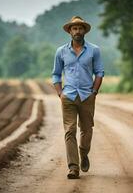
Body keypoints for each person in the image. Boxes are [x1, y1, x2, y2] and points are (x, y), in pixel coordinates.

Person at [52, 16, 104, 179]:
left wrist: (94, 92)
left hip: (87, 95)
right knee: (70, 130)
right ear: (69, 31)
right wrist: (60, 93)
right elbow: (55, 75)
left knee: (87, 130)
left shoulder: (94, 50)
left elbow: (99, 72)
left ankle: (84, 153)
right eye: (74, 28)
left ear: (84, 31)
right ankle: (73, 168)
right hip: (68, 96)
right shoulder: (61, 51)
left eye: (80, 28)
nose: (77, 31)